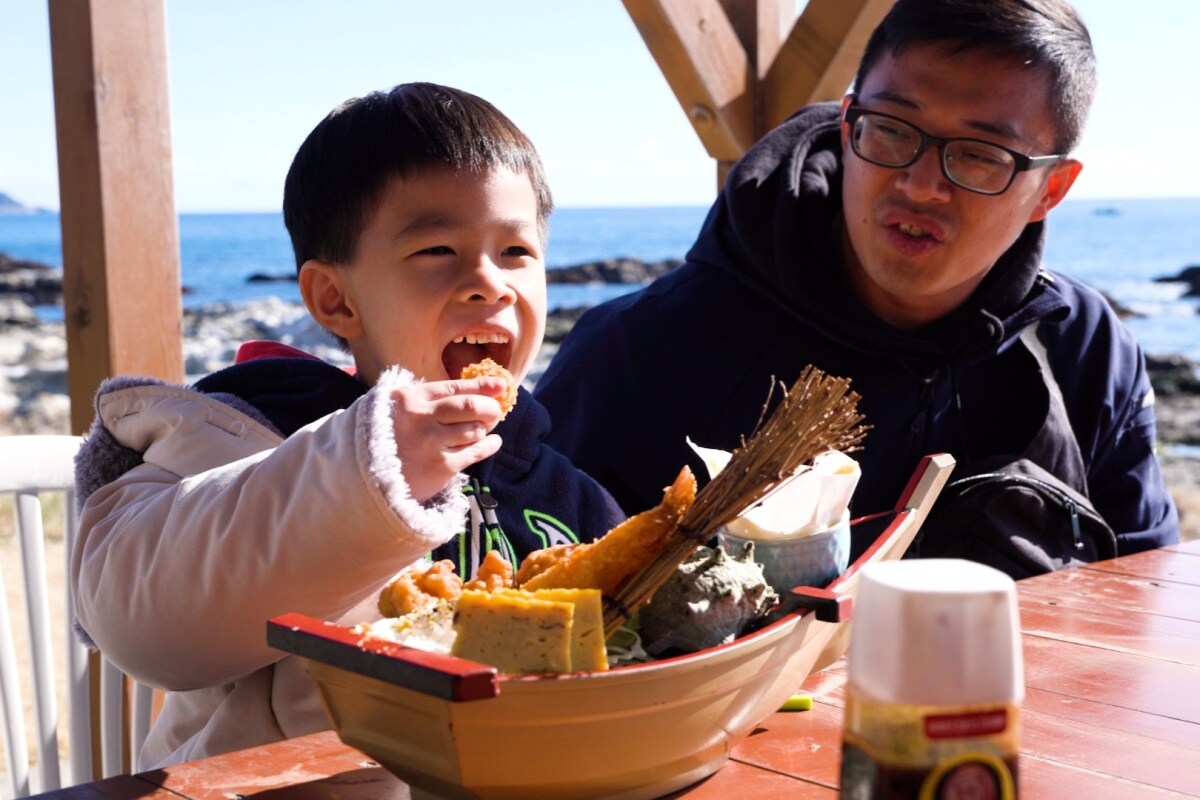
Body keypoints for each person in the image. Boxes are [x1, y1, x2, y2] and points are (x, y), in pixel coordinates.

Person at [70, 82, 624, 768]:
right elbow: (137, 624)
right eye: (437, 252)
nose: (490, 283)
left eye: (516, 252)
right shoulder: (240, 438)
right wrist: (370, 470)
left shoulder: (566, 494)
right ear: (335, 299)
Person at [535, 0, 1179, 560]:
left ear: (1052, 189)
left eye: (980, 155)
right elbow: (530, 614)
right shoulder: (639, 354)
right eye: (894, 130)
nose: (921, 184)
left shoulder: (1085, 350)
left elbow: (1140, 598)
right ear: (847, 128)